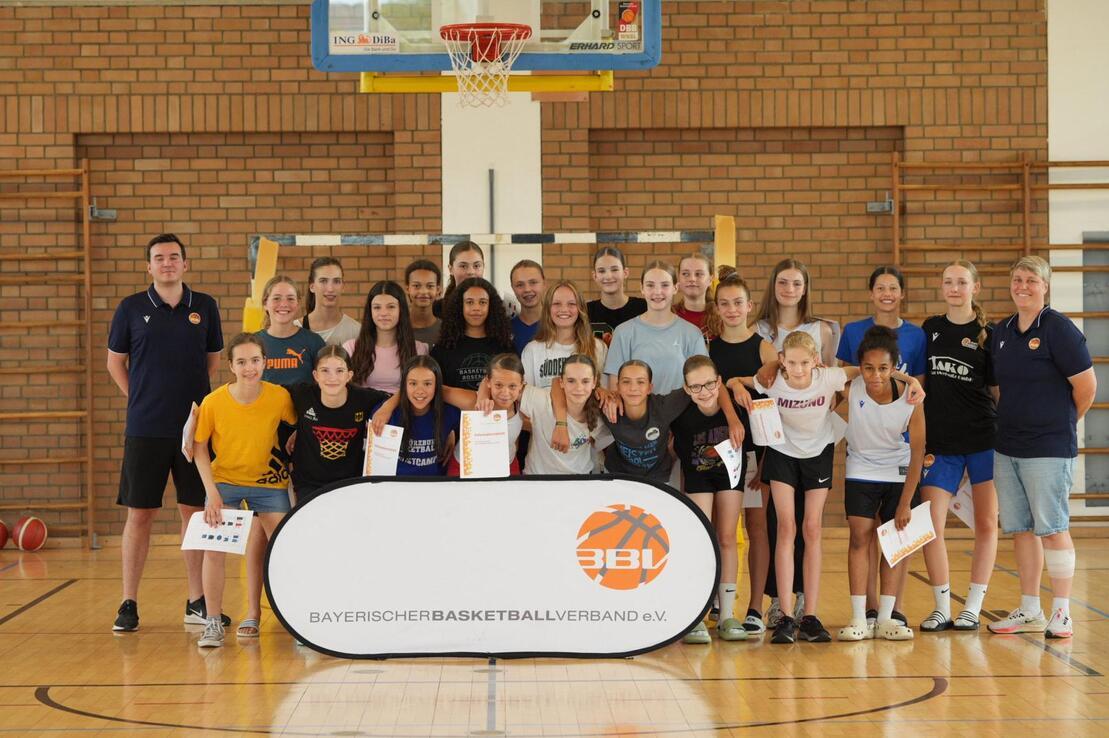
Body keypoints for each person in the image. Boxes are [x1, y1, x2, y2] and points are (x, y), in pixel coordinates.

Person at [728, 331, 924, 645]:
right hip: (782, 453)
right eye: (791, 362)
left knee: (812, 528)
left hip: (818, 454)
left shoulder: (829, 377)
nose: (799, 368)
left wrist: (910, 380)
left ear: (816, 361)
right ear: (782, 361)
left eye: (805, 362)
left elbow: (870, 368)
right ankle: (786, 615)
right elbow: (733, 381)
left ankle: (810, 615)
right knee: (786, 527)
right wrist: (739, 384)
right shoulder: (773, 380)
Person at [107, 233, 225, 633]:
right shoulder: (130, 308)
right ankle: (128, 602)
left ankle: (196, 600)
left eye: (174, 257)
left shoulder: (204, 306)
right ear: (149, 266)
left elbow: (212, 361)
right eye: (160, 258)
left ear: (185, 264)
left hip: (194, 431)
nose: (168, 263)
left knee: (194, 514)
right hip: (145, 429)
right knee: (140, 514)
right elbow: (115, 364)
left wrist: (189, 407)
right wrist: (139, 396)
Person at [988, 256, 1096, 639]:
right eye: (1017, 279)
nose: (1023, 286)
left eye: (1031, 280)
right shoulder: (1001, 332)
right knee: (1021, 529)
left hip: (1048, 449)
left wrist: (1058, 425)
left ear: (1045, 286)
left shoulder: (1059, 330)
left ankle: (1062, 612)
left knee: (1052, 528)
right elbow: (999, 388)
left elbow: (1086, 390)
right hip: (1008, 447)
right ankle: (1030, 609)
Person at [192, 333, 296, 648]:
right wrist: (211, 492)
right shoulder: (214, 402)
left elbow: (298, 427)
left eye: (255, 360)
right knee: (215, 551)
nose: (249, 368)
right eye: (242, 362)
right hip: (225, 484)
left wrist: (294, 443)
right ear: (231, 366)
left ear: (265, 362)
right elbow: (199, 448)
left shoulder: (279, 397)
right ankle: (212, 622)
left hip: (269, 484)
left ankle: (282, 617)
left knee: (284, 548)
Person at [753, 257, 841, 629]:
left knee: (811, 525)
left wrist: (822, 409)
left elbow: (836, 376)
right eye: (783, 282)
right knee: (780, 522)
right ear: (773, 286)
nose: (789, 289)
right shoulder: (759, 328)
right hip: (775, 432)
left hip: (814, 434)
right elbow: (760, 376)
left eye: (796, 283)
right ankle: (780, 601)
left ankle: (807, 602)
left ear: (805, 288)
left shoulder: (822, 328)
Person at [837, 265, 926, 629]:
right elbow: (835, 375)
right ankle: (861, 615)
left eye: (883, 368)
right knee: (860, 535)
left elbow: (918, 450)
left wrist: (906, 501)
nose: (875, 374)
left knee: (896, 539)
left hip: (899, 467)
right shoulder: (853, 380)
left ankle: (888, 616)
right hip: (861, 465)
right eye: (868, 368)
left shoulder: (911, 397)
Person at [917, 260, 999, 633]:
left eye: (961, 282)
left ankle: (973, 607)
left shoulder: (990, 334)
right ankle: (941, 607)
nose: (954, 288)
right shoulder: (931, 328)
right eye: (948, 281)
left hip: (983, 440)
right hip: (941, 444)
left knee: (985, 523)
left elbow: (998, 392)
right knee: (931, 525)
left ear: (975, 288)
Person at [707, 269, 777, 635]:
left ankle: (754, 607)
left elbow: (776, 399)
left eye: (738, 303)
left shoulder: (764, 348)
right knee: (720, 529)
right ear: (716, 308)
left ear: (749, 306)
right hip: (718, 449)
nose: (732, 309)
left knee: (757, 528)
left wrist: (764, 458)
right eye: (725, 303)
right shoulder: (709, 348)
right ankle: (721, 603)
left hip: (755, 450)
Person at [672, 355, 749, 642]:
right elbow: (672, 448)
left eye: (708, 384)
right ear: (686, 388)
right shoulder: (681, 414)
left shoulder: (735, 411)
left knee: (727, 537)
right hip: (697, 477)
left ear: (719, 382)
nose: (703, 392)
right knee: (701, 539)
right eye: (695, 387)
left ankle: (727, 614)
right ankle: (697, 615)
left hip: (730, 476)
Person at [288, 345, 390, 505]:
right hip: (309, 484)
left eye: (340, 371)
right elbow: (269, 394)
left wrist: (386, 408)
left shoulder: (363, 398)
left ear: (349, 375)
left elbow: (400, 397)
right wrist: (297, 430)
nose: (332, 377)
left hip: (349, 483)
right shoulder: (303, 394)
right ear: (315, 375)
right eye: (325, 370)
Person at [604, 260, 708, 393]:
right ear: (642, 288)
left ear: (675, 288)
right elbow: (614, 388)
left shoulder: (692, 333)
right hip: (635, 412)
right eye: (650, 285)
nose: (657, 292)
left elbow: (702, 382)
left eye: (665, 285)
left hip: (681, 412)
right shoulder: (623, 332)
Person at [519, 354, 614, 475]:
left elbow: (597, 445)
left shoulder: (601, 412)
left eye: (585, 381)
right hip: (538, 480)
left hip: (579, 481)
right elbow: (506, 387)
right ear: (561, 382)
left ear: (594, 382)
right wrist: (485, 390)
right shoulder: (542, 400)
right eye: (571, 381)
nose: (578, 388)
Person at [375, 355, 460, 476]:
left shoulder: (450, 412)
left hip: (435, 485)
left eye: (427, 384)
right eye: (413, 383)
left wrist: (452, 433)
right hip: (396, 485)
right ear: (404, 385)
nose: (420, 390)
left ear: (437, 385)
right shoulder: (386, 414)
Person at [343, 280, 428, 394]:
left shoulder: (419, 349)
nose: (383, 313)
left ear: (401, 310)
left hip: (402, 410)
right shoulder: (351, 348)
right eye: (377, 307)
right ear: (370, 311)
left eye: (391, 307)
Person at [431, 277, 514, 390]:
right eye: (469, 302)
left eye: (482, 302)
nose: (476, 308)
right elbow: (436, 390)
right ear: (460, 306)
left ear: (491, 306)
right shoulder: (443, 349)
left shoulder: (505, 347)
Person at [521, 280, 607, 389]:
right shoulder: (532, 350)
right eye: (557, 304)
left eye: (571, 304)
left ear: (580, 309)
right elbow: (528, 398)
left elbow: (604, 395)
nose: (564, 309)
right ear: (548, 309)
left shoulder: (598, 347)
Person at [256, 275, 325, 387]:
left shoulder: (314, 342)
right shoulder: (254, 343)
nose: (284, 304)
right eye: (276, 298)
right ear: (265, 304)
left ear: (297, 304)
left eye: (290, 298)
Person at [586, 245, 647, 345]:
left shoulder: (644, 308)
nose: (608, 276)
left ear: (625, 273)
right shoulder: (585, 312)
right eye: (601, 271)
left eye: (614, 269)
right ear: (595, 276)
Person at [300, 256, 360, 347]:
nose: (330, 289)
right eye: (323, 281)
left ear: (343, 287)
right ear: (312, 286)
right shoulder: (295, 329)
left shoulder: (356, 331)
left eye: (336, 281)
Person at [435, 241, 486, 318]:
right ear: (451, 269)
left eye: (476, 266)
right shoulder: (438, 309)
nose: (471, 272)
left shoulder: (496, 306)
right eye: (463, 266)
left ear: (483, 266)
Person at [509, 260, 546, 354]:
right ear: (513, 288)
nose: (527, 289)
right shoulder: (506, 329)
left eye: (533, 282)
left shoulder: (558, 325)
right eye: (520, 285)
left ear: (544, 284)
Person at [673, 252, 714, 337]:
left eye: (699, 274)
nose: (692, 279)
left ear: (710, 279)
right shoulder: (668, 315)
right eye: (685, 274)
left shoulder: (723, 315)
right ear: (679, 278)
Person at [405, 259, 443, 347]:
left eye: (430, 286)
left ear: (437, 290)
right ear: (408, 289)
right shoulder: (397, 329)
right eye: (416, 286)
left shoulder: (446, 331)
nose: (423, 291)